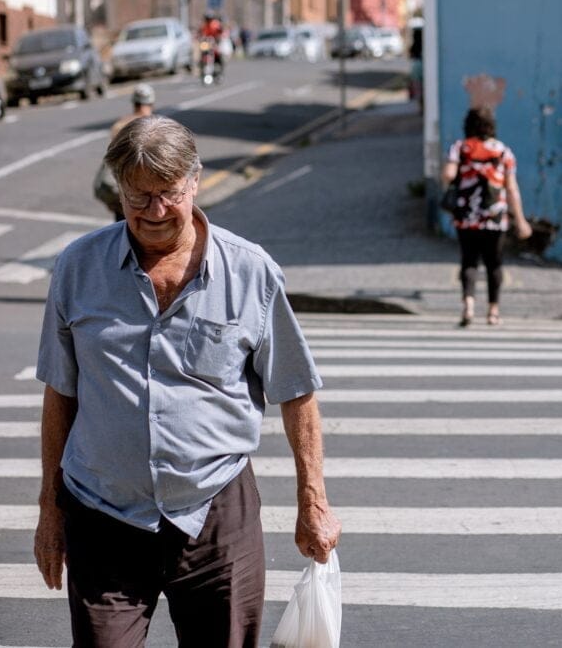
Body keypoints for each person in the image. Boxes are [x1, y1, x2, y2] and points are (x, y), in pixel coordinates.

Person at [35, 115, 341, 646]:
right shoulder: (77, 267)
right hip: (103, 512)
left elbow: (296, 391)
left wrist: (312, 500)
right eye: (138, 197)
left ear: (194, 182)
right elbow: (60, 392)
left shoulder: (251, 273)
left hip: (215, 514)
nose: (153, 212)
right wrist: (49, 509)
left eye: (168, 194)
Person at [441, 107, 532, 326]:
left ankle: (469, 305)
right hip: (494, 216)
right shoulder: (503, 152)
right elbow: (511, 189)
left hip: (467, 215)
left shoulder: (460, 148)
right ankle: (493, 311)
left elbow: (448, 175)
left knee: (468, 261)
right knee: (494, 263)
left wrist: (456, 182)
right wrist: (520, 220)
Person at [93, 83, 155, 221]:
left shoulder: (120, 124)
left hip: (123, 191)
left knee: (123, 228)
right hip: (145, 193)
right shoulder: (154, 126)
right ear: (151, 103)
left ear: (134, 102)